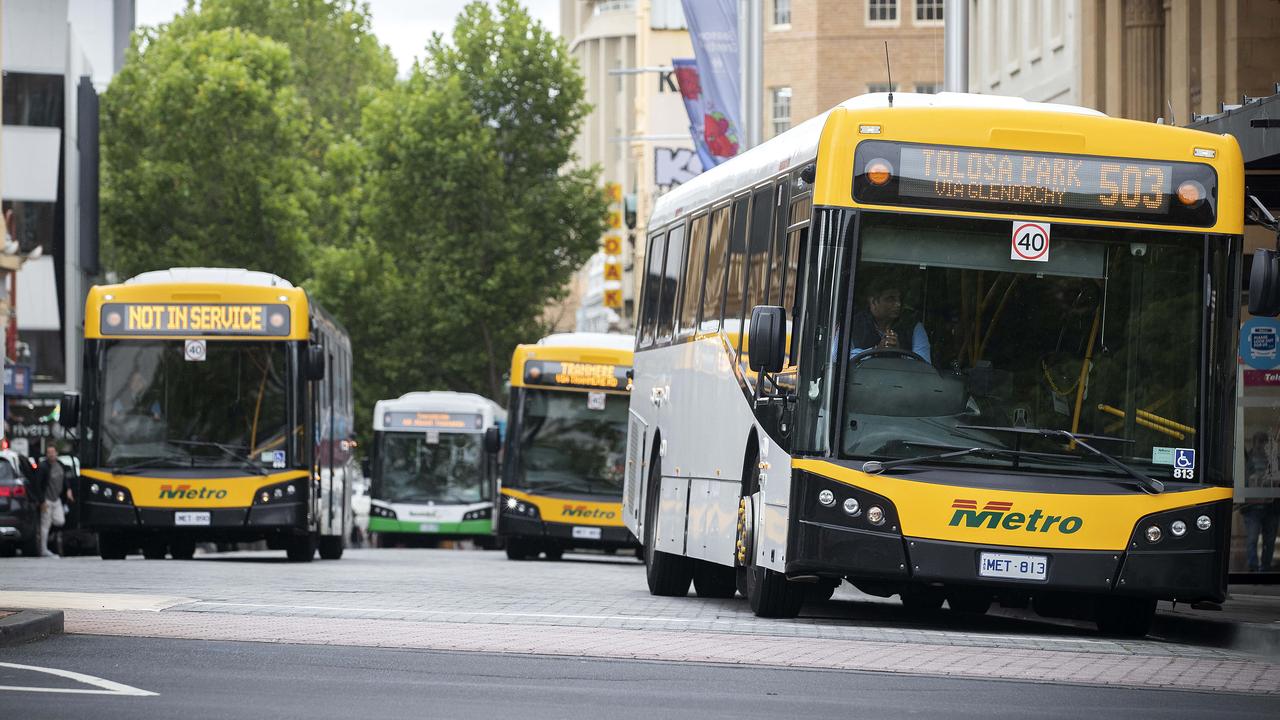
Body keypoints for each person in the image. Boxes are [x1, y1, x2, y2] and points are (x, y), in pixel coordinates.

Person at [848, 276, 931, 363]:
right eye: (890, 299)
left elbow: (925, 364)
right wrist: (876, 350)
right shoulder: (852, 324)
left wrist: (900, 353)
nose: (898, 304)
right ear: (873, 302)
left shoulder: (913, 326)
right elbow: (837, 359)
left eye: (899, 299)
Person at [1241, 431, 1280, 572]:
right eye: (1259, 442)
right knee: (1252, 538)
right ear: (1254, 443)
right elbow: (1242, 480)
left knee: (1269, 540)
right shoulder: (1246, 459)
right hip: (1252, 507)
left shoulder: (1275, 460)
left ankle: (1265, 567)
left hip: (1271, 506)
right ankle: (1253, 566)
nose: (1261, 445)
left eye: (1264, 442)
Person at [34, 445, 73, 557]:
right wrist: (42, 501)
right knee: (44, 525)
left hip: (57, 499)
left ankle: (50, 535)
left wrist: (68, 490)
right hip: (47, 500)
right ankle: (44, 550)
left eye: (53, 452)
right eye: (49, 452)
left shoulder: (60, 465)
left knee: (60, 521)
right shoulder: (43, 467)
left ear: (56, 453)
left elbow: (65, 479)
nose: (51, 454)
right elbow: (38, 485)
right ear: (46, 454)